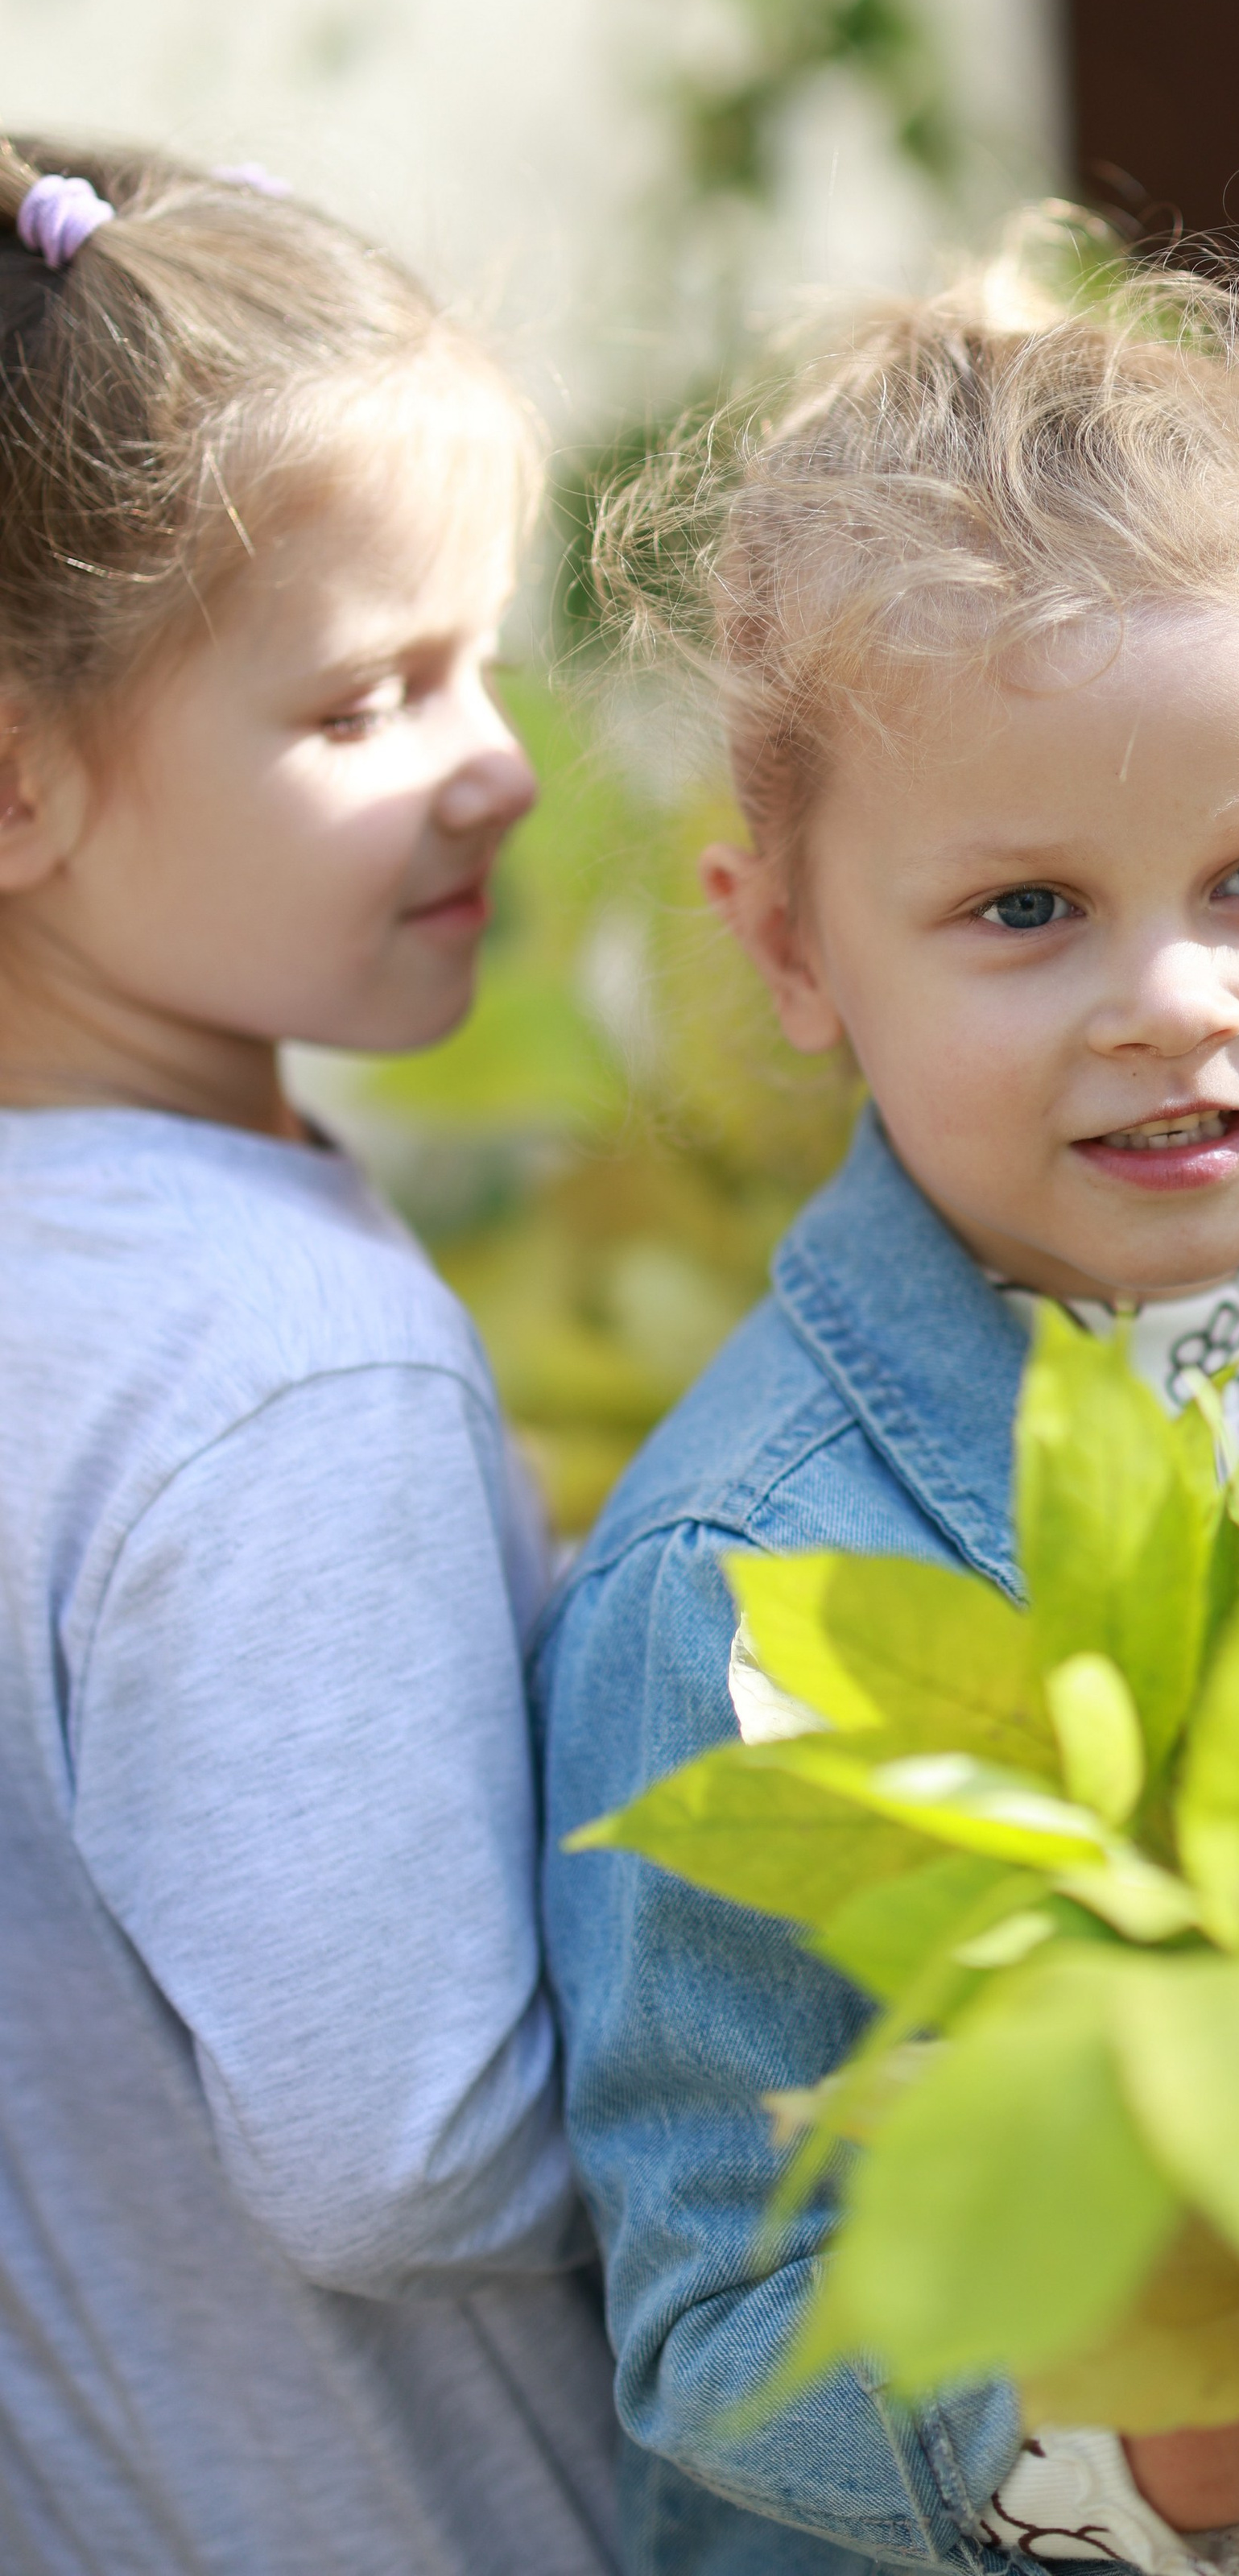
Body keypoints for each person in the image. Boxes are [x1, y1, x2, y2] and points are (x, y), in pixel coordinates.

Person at [534, 231, 1239, 2576]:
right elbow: (724, 2325)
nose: (1173, 1001)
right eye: (1028, 911)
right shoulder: (741, 1596)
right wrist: (1202, 2454)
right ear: (791, 945)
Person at [0, 138, 618, 2574]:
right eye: (369, 700)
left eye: (481, 657)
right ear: (16, 780)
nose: (502, 765)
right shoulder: (279, 1367)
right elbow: (407, 2151)